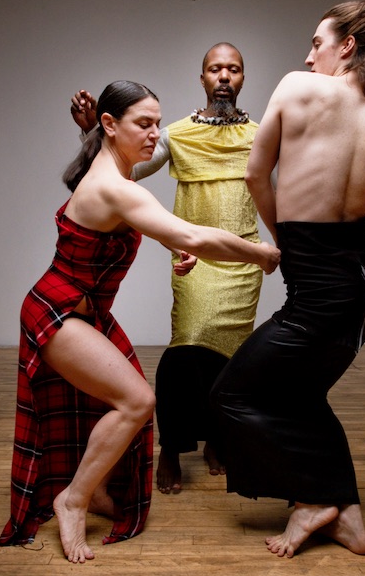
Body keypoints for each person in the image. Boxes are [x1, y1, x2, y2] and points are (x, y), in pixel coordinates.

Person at [0, 80, 280, 564]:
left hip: (85, 311)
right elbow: (189, 230)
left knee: (111, 401)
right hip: (58, 311)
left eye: (157, 122)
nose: (155, 134)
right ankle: (73, 499)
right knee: (137, 400)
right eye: (143, 124)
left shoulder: (116, 177)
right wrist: (261, 254)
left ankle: (100, 492)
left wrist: (174, 247)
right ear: (110, 125)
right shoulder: (113, 185)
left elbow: (143, 227)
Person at [210, 0, 365, 559]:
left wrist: (283, 238)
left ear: (347, 46)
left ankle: (311, 500)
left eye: (317, 43)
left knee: (231, 394)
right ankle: (347, 513)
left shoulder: (296, 88)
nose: (309, 58)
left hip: (323, 291)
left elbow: (256, 173)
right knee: (304, 395)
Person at [70, 43, 263, 494]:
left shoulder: (259, 135)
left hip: (241, 260)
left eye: (232, 69)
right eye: (214, 68)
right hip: (194, 258)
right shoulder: (176, 134)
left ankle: (217, 439)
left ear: (242, 78)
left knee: (231, 361)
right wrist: (94, 135)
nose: (223, 76)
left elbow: (276, 192)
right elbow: (122, 176)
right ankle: (173, 449)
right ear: (201, 78)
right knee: (187, 350)